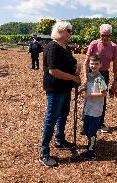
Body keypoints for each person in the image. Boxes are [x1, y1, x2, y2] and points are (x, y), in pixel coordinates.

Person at [39, 21, 81, 167]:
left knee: (64, 114)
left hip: (65, 88)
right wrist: (73, 78)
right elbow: (53, 71)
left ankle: (59, 140)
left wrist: (77, 66)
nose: (70, 33)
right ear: (59, 31)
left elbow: (70, 63)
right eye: (68, 30)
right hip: (55, 89)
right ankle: (44, 152)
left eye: (71, 30)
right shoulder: (52, 47)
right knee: (51, 118)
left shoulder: (65, 47)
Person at [82, 24, 117, 133]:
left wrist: (115, 80)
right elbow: (86, 62)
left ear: (110, 35)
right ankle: (86, 123)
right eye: (103, 35)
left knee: (102, 98)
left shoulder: (113, 47)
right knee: (88, 97)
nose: (105, 38)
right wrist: (85, 77)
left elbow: (115, 64)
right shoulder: (94, 44)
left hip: (104, 74)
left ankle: (100, 123)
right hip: (91, 73)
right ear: (100, 34)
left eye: (107, 35)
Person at [78, 55, 107, 160]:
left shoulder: (100, 78)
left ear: (100, 65)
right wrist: (83, 89)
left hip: (96, 108)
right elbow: (88, 87)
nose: (93, 66)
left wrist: (89, 95)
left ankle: (91, 151)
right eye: (92, 64)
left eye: (96, 64)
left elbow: (104, 93)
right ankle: (91, 142)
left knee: (92, 130)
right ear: (89, 64)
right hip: (88, 106)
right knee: (85, 128)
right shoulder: (89, 76)